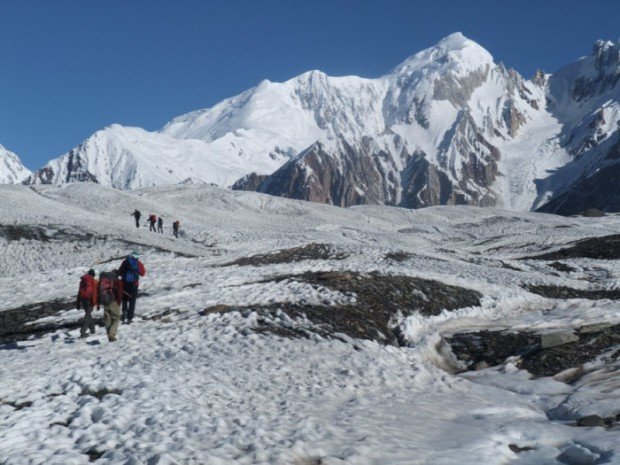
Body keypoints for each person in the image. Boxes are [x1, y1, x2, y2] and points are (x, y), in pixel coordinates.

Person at [118, 251, 146, 324]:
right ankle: (129, 318)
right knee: (132, 302)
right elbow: (142, 273)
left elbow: (120, 272)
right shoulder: (138, 263)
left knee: (124, 299)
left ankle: (124, 314)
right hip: (134, 284)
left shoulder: (125, 262)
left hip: (124, 283)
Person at [98, 270, 124, 342]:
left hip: (105, 300)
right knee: (116, 318)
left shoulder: (103, 279)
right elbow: (119, 292)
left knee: (107, 318)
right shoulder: (118, 281)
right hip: (114, 301)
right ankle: (111, 334)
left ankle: (109, 334)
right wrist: (119, 301)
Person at [76, 269, 98, 338]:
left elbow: (79, 292)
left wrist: (78, 303)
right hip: (89, 300)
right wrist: (94, 301)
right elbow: (94, 292)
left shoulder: (82, 280)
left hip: (83, 300)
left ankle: (92, 329)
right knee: (88, 316)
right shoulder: (92, 280)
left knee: (88, 314)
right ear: (93, 275)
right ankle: (83, 332)